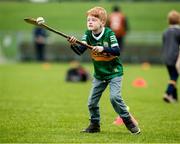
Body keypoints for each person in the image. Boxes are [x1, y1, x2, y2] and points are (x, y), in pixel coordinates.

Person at [67, 6, 140, 134]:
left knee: (114, 98)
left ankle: (129, 122)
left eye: (94, 20)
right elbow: (80, 51)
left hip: (114, 73)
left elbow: (117, 51)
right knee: (91, 102)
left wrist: (103, 48)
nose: (90, 22)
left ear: (102, 22)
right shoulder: (88, 34)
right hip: (99, 75)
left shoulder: (109, 34)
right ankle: (95, 125)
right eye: (88, 20)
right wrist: (73, 44)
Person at [162, 10, 180, 103]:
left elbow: (164, 44)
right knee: (174, 77)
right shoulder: (178, 31)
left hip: (166, 57)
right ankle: (167, 93)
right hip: (176, 58)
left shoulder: (166, 31)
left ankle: (174, 97)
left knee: (172, 77)